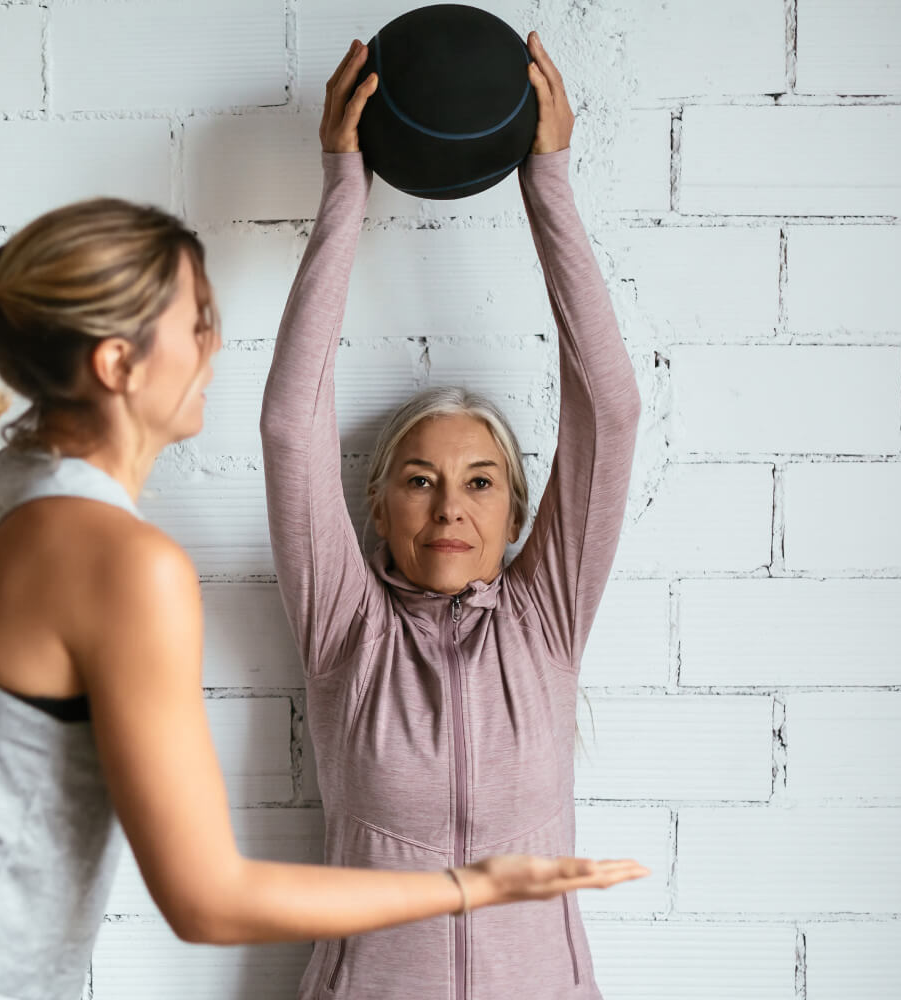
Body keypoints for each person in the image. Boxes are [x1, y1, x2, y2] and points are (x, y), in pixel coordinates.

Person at [0, 191, 645, 1000]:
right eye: (198, 321)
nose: (216, 343)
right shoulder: (125, 562)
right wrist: (467, 885)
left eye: (479, 482)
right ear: (118, 363)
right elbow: (204, 897)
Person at [261, 35, 644, 1000]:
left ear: (517, 514)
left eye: (479, 482)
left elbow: (611, 412)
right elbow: (288, 426)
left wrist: (547, 182)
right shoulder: (346, 634)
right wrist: (345, 187)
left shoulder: (547, 622)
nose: (448, 507)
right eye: (419, 481)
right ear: (378, 510)